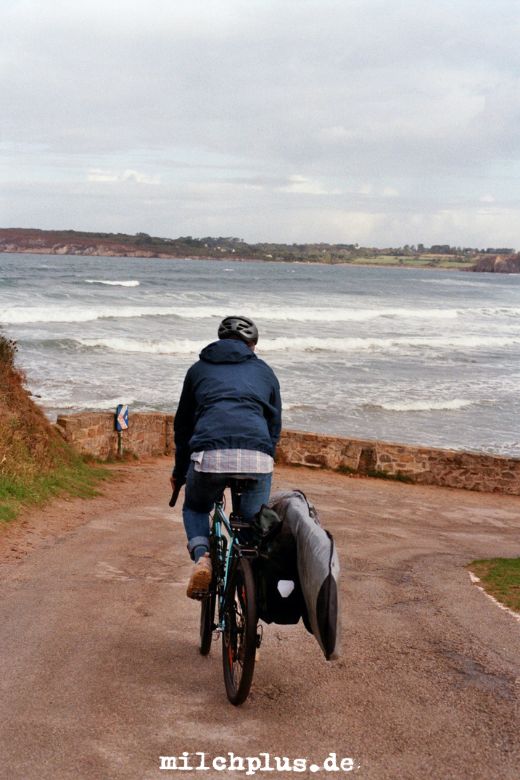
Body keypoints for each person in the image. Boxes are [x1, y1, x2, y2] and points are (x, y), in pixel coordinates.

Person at [170, 315, 282, 598]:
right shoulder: (265, 372)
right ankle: (247, 581)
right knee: (251, 525)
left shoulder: (198, 370)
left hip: (209, 456)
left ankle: (203, 558)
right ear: (252, 345)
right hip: (257, 457)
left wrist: (179, 473)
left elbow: (183, 426)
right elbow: (274, 424)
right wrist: (265, 455)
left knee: (196, 508)